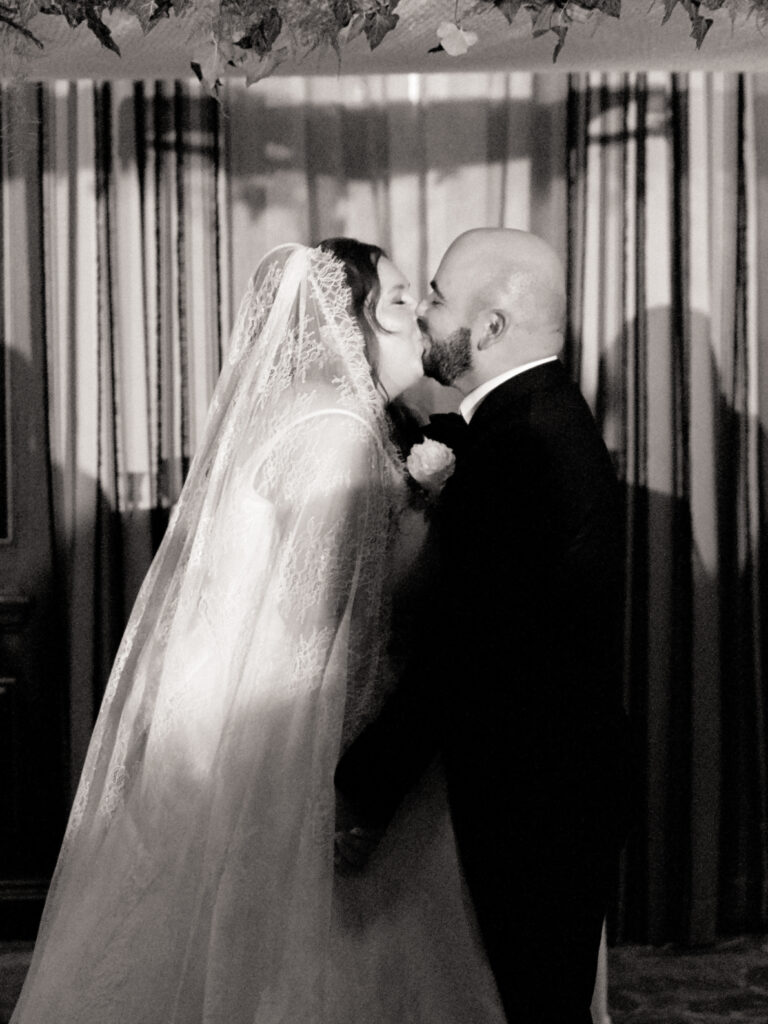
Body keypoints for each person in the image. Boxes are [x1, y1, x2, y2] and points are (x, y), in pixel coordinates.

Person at [11, 239, 505, 1023]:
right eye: (402, 296)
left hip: (226, 709)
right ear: (358, 315)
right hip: (296, 725)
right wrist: (356, 782)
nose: (415, 319)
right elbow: (324, 621)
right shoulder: (340, 427)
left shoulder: (301, 413)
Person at [335, 228, 634, 1024]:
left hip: (534, 803)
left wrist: (364, 789)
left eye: (435, 297)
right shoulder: (525, 423)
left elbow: (467, 651)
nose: (425, 316)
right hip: (553, 789)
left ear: (492, 328)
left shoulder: (523, 448)